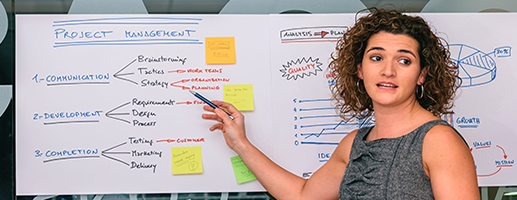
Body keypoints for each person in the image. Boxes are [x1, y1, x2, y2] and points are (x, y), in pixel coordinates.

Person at [202, 8, 479, 199]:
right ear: (359, 70)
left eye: (404, 60)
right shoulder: (355, 143)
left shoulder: (438, 141)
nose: (388, 71)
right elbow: (301, 196)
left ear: (422, 75)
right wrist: (241, 143)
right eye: (376, 57)